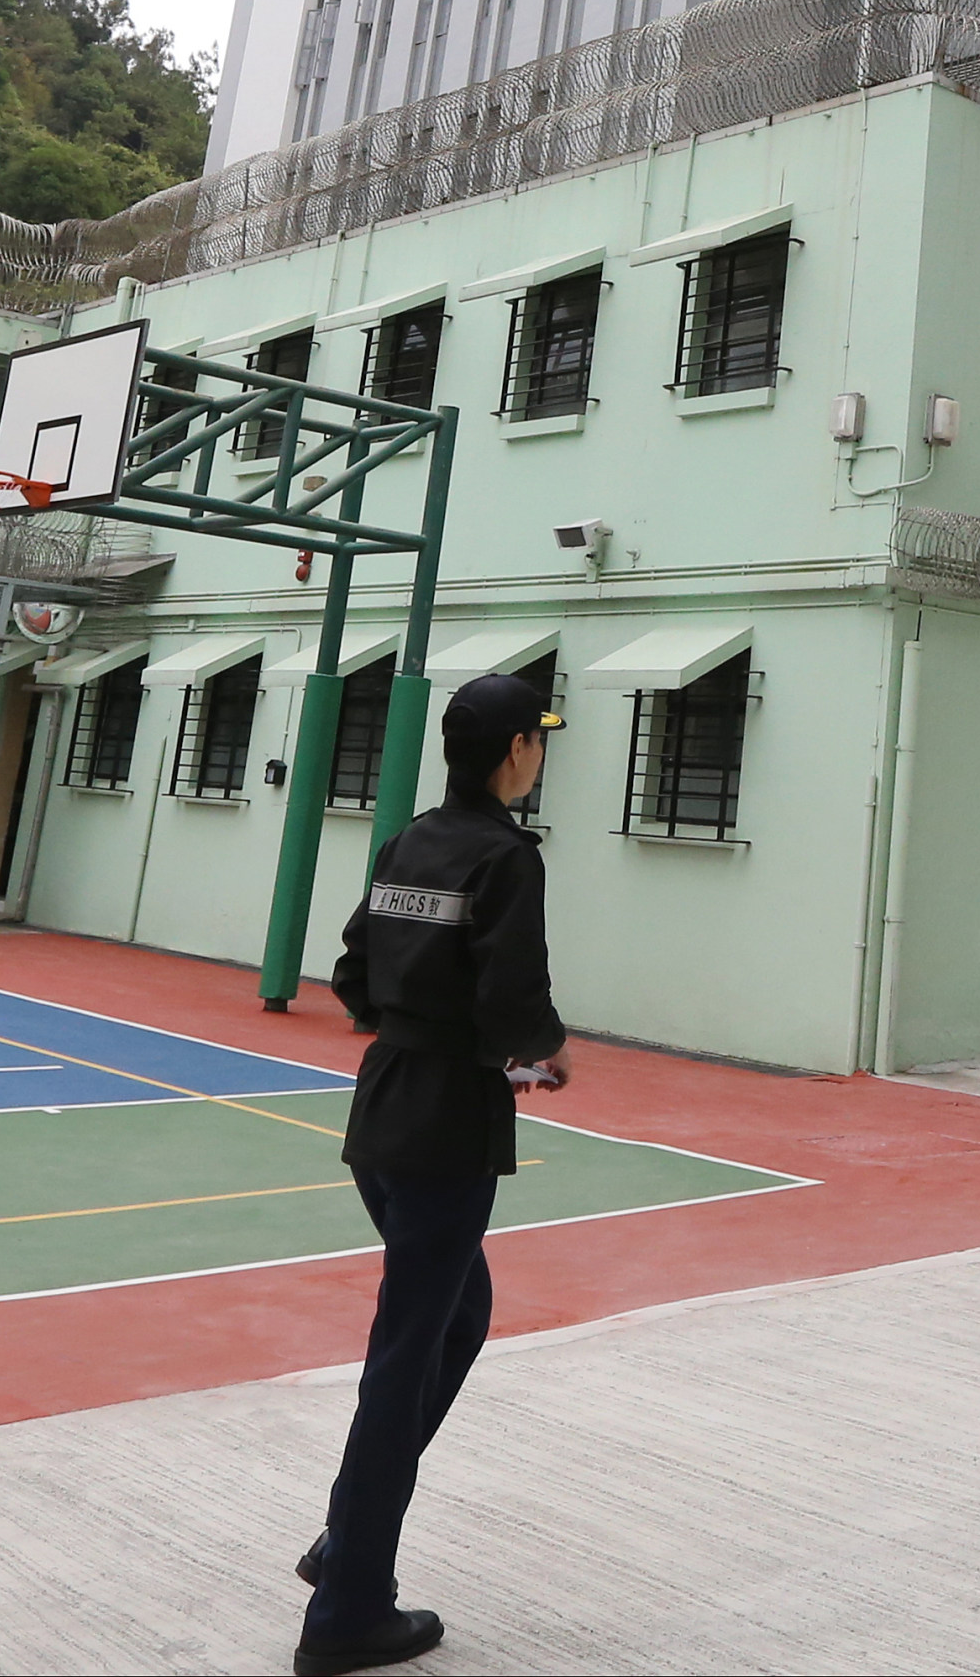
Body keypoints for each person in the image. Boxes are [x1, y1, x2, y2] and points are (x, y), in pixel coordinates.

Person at [293, 672, 570, 1677]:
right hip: (450, 1114)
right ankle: (349, 1609)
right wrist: (540, 1049)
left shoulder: (409, 839)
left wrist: (430, 1023)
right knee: (407, 1349)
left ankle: (345, 1540)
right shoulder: (506, 857)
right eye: (539, 738)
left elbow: (354, 971)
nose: (543, 753)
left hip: (385, 1102)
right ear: (512, 751)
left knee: (454, 1316)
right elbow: (510, 996)